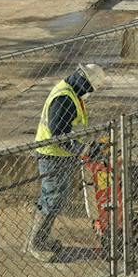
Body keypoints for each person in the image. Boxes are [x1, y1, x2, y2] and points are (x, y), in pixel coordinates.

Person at [29, 63, 103, 262]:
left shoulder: (72, 94)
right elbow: (58, 134)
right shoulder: (64, 98)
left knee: (56, 197)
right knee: (52, 198)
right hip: (51, 154)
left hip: (61, 154)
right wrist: (83, 149)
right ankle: (36, 243)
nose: (89, 94)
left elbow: (72, 128)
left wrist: (86, 145)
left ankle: (42, 238)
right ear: (85, 83)